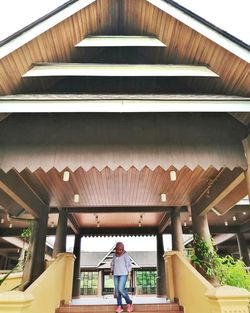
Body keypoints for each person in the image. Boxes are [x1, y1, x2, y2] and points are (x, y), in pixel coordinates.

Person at [110, 242, 133, 313]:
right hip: (116, 274)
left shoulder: (126, 255)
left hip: (124, 274)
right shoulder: (114, 255)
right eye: (118, 249)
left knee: (120, 288)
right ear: (116, 249)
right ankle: (119, 306)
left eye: (121, 249)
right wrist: (111, 271)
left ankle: (129, 302)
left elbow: (129, 264)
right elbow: (112, 264)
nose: (119, 250)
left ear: (123, 248)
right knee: (117, 291)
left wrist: (129, 273)